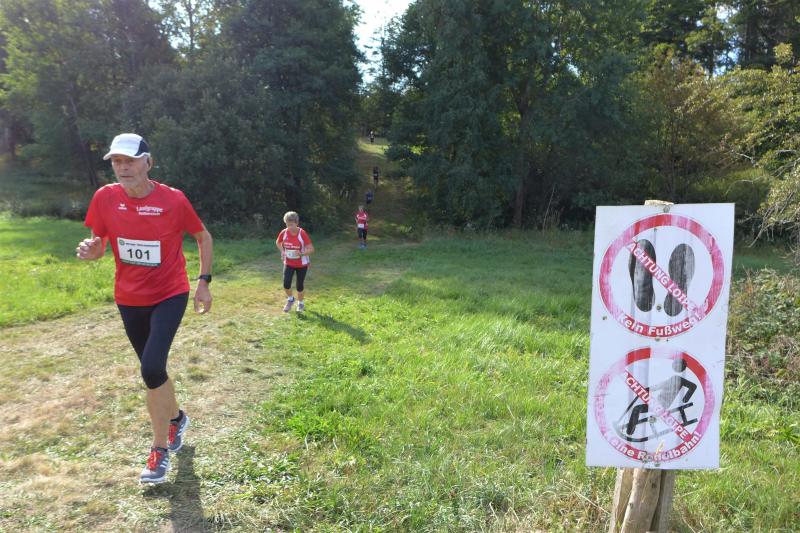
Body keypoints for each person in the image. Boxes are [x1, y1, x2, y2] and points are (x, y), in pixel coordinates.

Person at [76, 133, 213, 484]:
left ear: (148, 162)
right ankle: (177, 418)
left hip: (170, 293)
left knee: (151, 368)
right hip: (129, 297)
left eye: (130, 161)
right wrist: (92, 251)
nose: (123, 167)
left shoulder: (173, 199)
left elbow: (203, 237)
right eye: (116, 162)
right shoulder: (105, 198)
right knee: (155, 373)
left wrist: (203, 281)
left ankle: (159, 451)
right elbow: (100, 244)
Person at [276, 211, 314, 312]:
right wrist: (283, 251)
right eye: (287, 224)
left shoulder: (302, 233)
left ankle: (300, 303)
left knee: (299, 285)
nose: (289, 227)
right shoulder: (284, 232)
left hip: (302, 264)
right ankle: (290, 299)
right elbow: (278, 242)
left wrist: (301, 254)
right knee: (286, 283)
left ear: (296, 223)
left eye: (291, 224)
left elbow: (311, 249)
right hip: (289, 263)